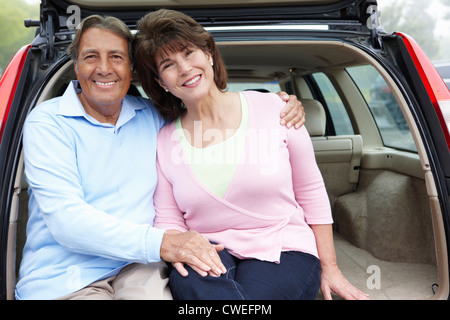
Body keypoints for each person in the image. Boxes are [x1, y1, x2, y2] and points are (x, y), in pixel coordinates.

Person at [15, 15, 305, 300]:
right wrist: (165, 243)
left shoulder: (153, 116)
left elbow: (212, 112)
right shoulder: (47, 123)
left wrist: (276, 105)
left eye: (116, 57)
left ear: (132, 69)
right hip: (67, 276)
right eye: (91, 57)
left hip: (140, 268)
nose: (104, 68)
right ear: (76, 67)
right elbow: (67, 221)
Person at [133, 9, 369, 300]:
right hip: (206, 250)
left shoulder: (276, 110)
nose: (184, 68)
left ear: (208, 53)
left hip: (284, 246)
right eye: (169, 64)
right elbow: (169, 220)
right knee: (193, 285)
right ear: (160, 82)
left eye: (188, 52)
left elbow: (311, 192)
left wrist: (330, 267)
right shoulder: (165, 140)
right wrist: (183, 249)